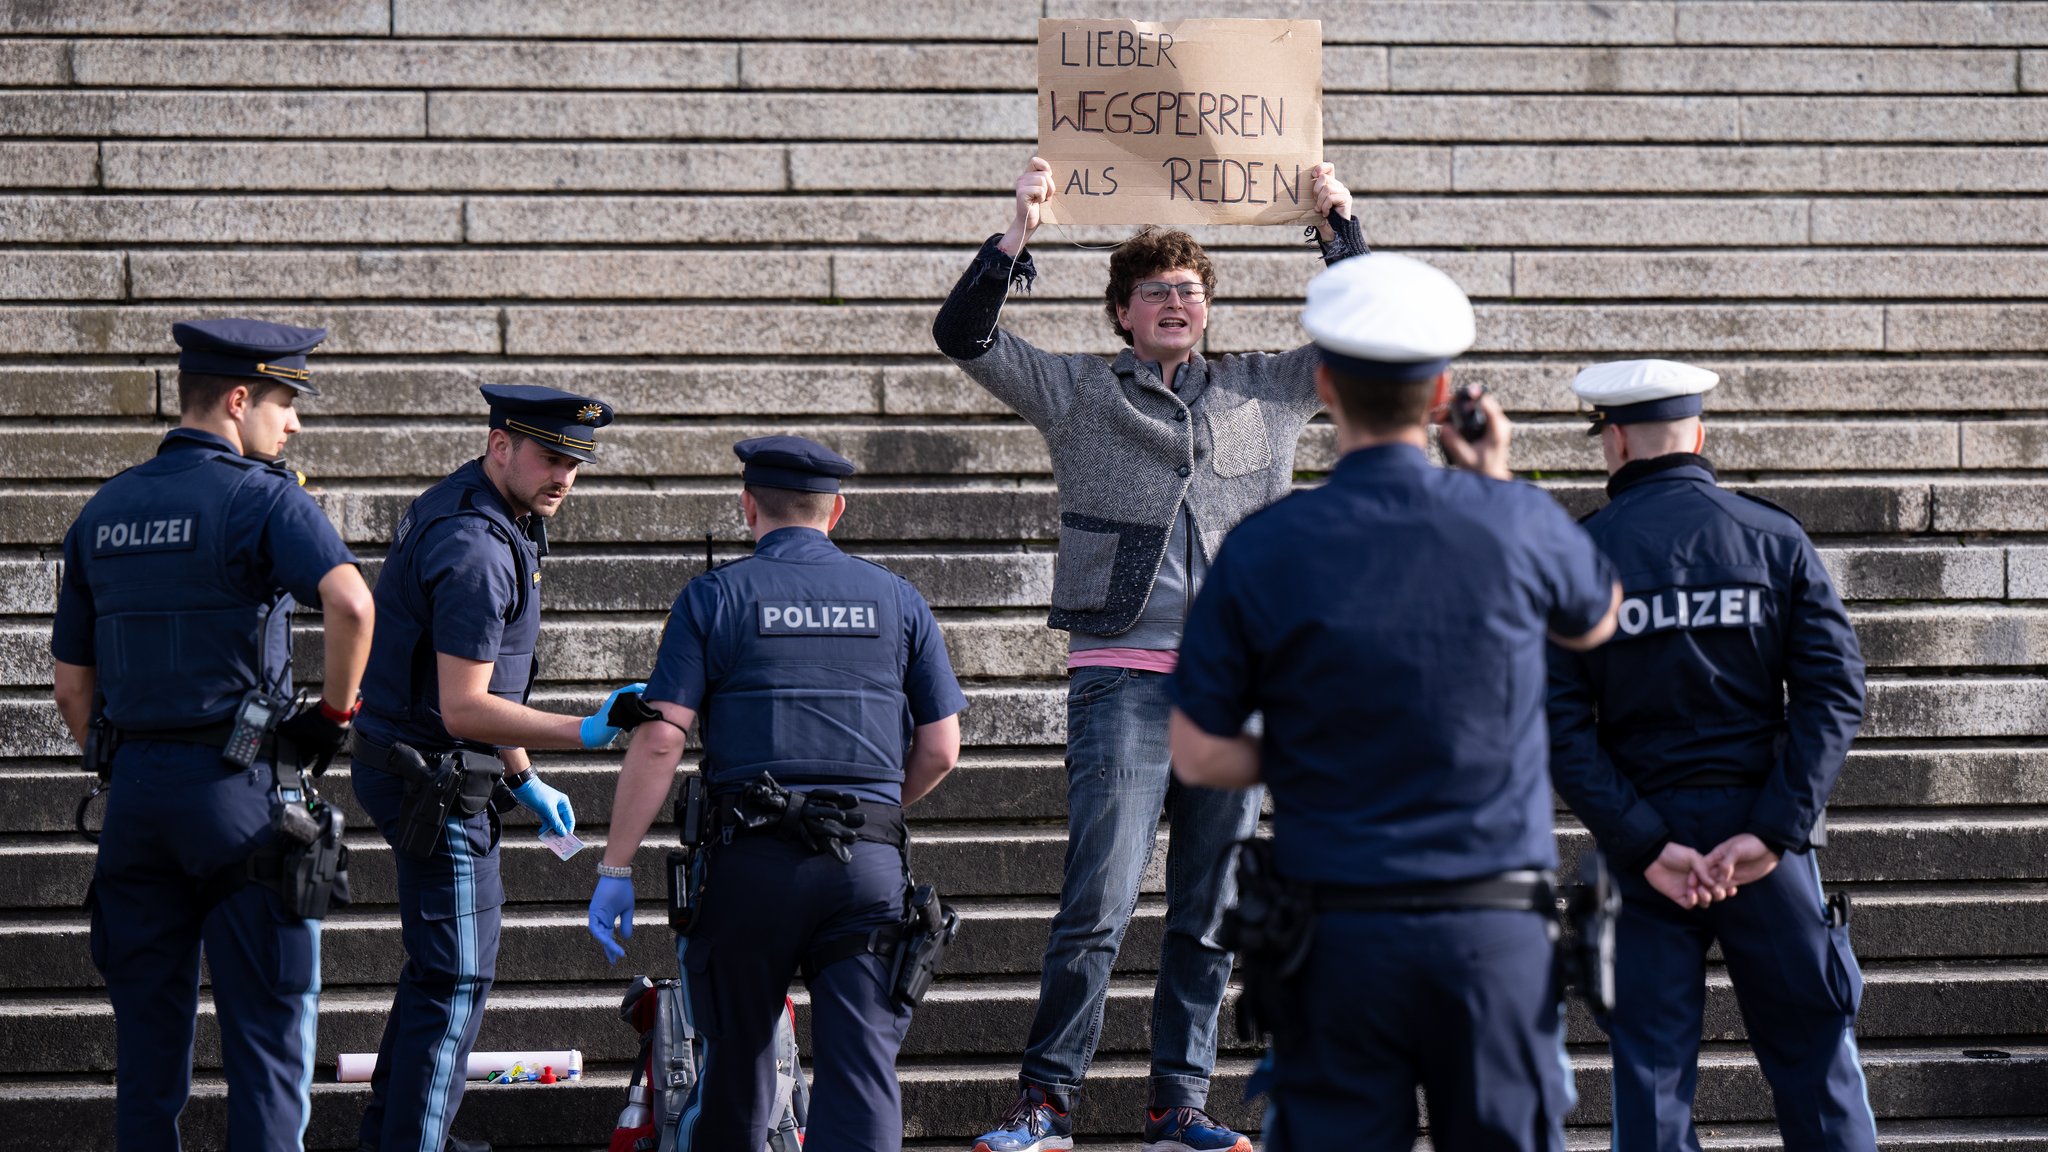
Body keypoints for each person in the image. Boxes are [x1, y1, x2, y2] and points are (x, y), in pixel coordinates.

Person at [935, 154, 1366, 1152]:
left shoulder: (1271, 389)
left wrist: (1336, 229)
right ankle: (1044, 1102)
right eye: (1154, 293)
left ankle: (1178, 1103)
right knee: (1097, 902)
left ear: (1208, 308)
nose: (1175, 303)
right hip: (1121, 683)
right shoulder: (1080, 394)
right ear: (1120, 314)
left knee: (1211, 911)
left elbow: (1372, 332)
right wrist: (1017, 232)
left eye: (1190, 290)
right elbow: (963, 335)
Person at [1167, 254, 1623, 1151]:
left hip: (1337, 938)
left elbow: (1197, 753)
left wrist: (1307, 742)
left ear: (1326, 387)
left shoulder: (1266, 547)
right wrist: (1492, 477)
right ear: (1443, 390)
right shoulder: (1518, 522)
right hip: (1491, 932)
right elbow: (1597, 622)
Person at [587, 435, 966, 1152]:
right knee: (862, 1074)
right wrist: (867, 818)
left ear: (747, 506)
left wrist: (614, 867)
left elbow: (663, 738)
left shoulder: (714, 596)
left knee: (737, 1065)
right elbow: (942, 748)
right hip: (866, 869)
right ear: (837, 511)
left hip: (749, 867)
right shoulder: (898, 600)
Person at [50, 318, 375, 1150]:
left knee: (147, 1061)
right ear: (238, 400)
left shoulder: (105, 510)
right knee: (267, 1049)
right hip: (240, 795)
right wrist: (334, 718)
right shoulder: (264, 496)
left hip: (137, 809)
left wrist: (117, 762)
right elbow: (351, 603)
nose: (294, 422)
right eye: (284, 401)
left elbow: (71, 682)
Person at [1546, 359, 1877, 1151]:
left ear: (1616, 440)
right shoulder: (1774, 537)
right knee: (1818, 1060)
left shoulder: (1580, 557)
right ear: (1697, 435)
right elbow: (1834, 694)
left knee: (1651, 1078)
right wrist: (1772, 832)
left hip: (1645, 846)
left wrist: (1648, 845)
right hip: (1766, 841)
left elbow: (1555, 724)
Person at [350, 384, 644, 1152]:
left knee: (436, 975)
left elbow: (488, 684)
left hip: (436, 762)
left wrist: (522, 778)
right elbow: (465, 706)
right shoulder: (477, 548)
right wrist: (584, 730)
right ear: (500, 445)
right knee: (455, 981)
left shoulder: (481, 507)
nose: (565, 478)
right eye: (551, 458)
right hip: (432, 775)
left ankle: (396, 1138)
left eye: (576, 463)